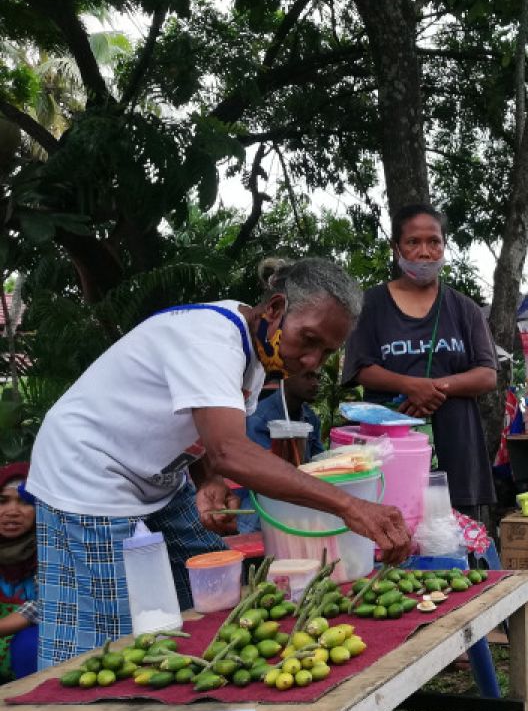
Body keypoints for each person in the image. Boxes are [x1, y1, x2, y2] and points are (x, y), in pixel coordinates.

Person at [26, 259, 411, 669]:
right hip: (87, 473)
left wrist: (207, 479)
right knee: (106, 635)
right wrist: (350, 505)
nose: (312, 361)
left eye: (327, 352)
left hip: (157, 479)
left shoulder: (254, 355)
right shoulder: (211, 339)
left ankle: (188, 685)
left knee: (211, 589)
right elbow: (231, 449)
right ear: (276, 309)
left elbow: (205, 436)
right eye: (309, 339)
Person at [342, 204, 498, 524]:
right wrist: (408, 385)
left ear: (444, 246)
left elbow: (487, 374)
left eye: (434, 242)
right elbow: (359, 368)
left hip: (457, 451)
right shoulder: (370, 305)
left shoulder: (464, 309)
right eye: (413, 242)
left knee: (457, 547)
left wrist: (435, 387)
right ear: (396, 247)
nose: (425, 252)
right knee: (392, 538)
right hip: (388, 454)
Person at [238, 369, 327, 533]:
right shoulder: (260, 418)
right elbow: (264, 475)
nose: (315, 383)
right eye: (308, 376)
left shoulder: (310, 418)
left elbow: (321, 462)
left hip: (299, 499)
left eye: (317, 377)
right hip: (263, 507)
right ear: (286, 377)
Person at [0, 463, 37, 681]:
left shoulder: (53, 546)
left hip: (29, 635)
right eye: (2, 501)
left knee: (30, 645)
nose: (12, 511)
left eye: (24, 502)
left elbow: (49, 605)